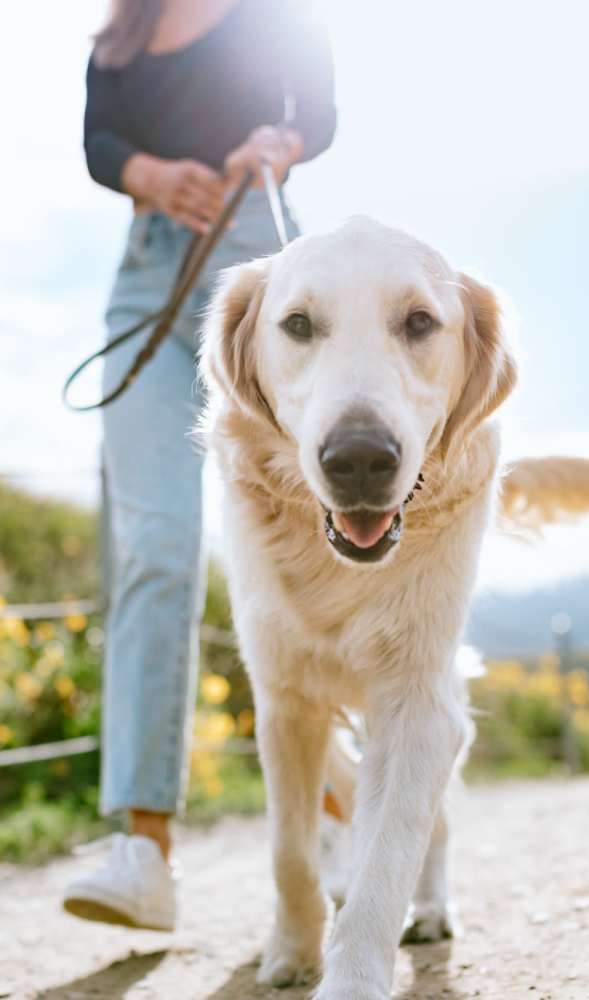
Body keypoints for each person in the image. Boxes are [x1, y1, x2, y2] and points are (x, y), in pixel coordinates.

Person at [63, 0, 336, 931]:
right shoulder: (122, 33)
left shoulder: (277, 15)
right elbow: (100, 141)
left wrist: (279, 140)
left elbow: (321, 114)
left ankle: (344, 801)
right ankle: (143, 849)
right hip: (144, 277)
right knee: (157, 543)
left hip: (262, 267)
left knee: (306, 532)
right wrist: (146, 170)